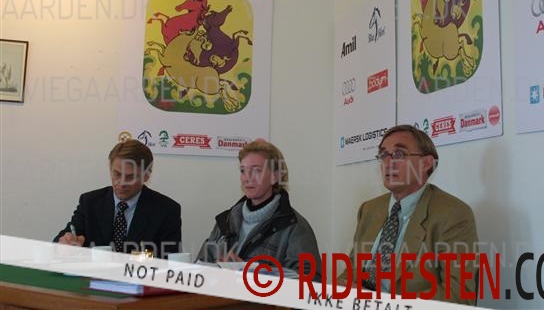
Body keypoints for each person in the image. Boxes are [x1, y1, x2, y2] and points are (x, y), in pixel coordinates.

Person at [339, 125, 478, 305]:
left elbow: (459, 295)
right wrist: (341, 286)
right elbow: (352, 271)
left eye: (398, 154)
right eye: (383, 155)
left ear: (426, 163)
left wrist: (383, 303)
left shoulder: (453, 214)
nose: (388, 163)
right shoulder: (369, 209)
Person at [196, 139, 321, 280]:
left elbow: (311, 280)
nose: (247, 178)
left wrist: (255, 275)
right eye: (243, 171)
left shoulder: (295, 227)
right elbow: (199, 268)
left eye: (256, 170)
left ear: (275, 176)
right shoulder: (225, 221)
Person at [54, 139, 182, 259]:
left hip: (139, 274)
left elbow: (167, 256)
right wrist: (64, 244)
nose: (121, 183)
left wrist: (127, 260)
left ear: (146, 175)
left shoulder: (167, 210)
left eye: (130, 177)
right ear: (110, 169)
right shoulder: (90, 202)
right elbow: (60, 242)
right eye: (117, 174)